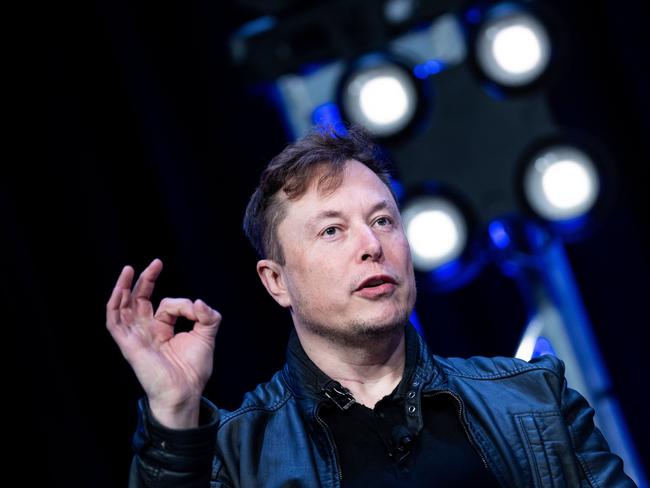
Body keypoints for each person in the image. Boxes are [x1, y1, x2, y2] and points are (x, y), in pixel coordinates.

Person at [106, 125, 636, 487]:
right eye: (332, 229)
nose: (371, 244)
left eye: (383, 220)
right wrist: (174, 413)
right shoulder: (237, 452)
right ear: (276, 282)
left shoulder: (534, 399)